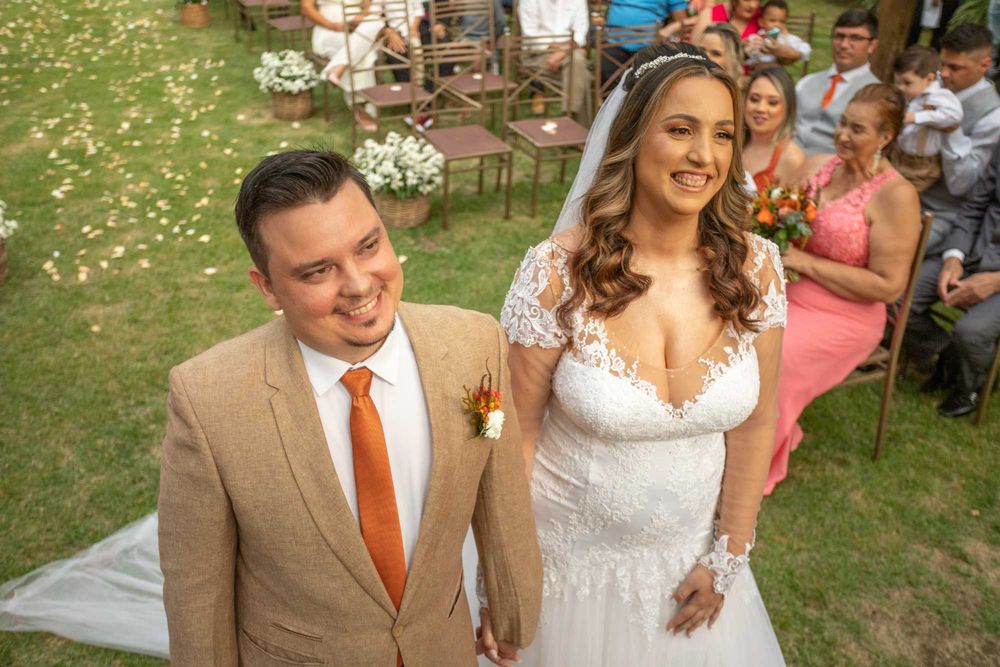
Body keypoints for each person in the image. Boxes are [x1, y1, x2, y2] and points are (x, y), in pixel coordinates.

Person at [156, 150, 543, 664]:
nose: (360, 284)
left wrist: (511, 603)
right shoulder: (207, 401)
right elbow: (196, 593)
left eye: (368, 246)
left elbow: (501, 495)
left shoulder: (475, 345)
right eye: (318, 271)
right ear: (267, 287)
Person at [478, 42, 788, 665]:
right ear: (631, 137)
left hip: (689, 576)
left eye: (723, 134)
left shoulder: (756, 267)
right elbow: (514, 435)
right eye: (681, 130)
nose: (705, 155)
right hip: (562, 570)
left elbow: (756, 424)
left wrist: (728, 555)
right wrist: (503, 578)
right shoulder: (556, 272)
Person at [767, 84, 921, 495]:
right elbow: (779, 215)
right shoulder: (820, 165)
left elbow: (889, 286)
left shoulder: (897, 196)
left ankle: (752, 462)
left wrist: (805, 262)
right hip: (790, 290)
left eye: (856, 129)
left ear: (885, 137)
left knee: (776, 358)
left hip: (848, 314)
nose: (842, 135)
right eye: (841, 123)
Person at [905, 144, 1000, 417]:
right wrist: (953, 257)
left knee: (970, 332)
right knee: (899, 299)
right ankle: (949, 354)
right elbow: (974, 207)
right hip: (971, 250)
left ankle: (972, 385)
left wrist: (994, 281)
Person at [919, 24, 1000, 253]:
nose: (944, 74)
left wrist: (951, 130)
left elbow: (962, 186)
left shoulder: (993, 117)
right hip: (897, 195)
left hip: (940, 215)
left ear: (984, 65)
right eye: (942, 64)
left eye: (955, 68)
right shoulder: (931, 84)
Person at [794, 8, 880, 155]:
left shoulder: (876, 94)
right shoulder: (806, 82)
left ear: (872, 45)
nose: (844, 45)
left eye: (855, 38)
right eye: (839, 36)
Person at [890, 45, 963, 192]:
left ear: (929, 78)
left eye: (907, 83)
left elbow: (955, 114)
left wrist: (918, 117)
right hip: (898, 154)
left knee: (904, 193)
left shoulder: (939, 96)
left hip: (921, 165)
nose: (901, 88)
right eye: (898, 82)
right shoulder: (909, 95)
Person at [302, 0, 383, 132]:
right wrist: (332, 25)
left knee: (367, 36)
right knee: (362, 53)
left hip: (358, 28)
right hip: (328, 30)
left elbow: (368, 4)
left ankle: (336, 69)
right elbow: (306, 8)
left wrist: (361, 16)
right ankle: (361, 107)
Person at [517, 0, 593, 124]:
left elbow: (580, 33)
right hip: (537, 54)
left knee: (576, 64)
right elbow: (532, 36)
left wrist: (563, 52)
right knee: (582, 74)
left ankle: (568, 118)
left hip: (569, 52)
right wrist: (568, 48)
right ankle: (578, 128)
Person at [744, 66, 805, 190]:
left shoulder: (791, 159)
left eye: (772, 102)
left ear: (788, 108)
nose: (760, 108)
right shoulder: (730, 142)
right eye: (754, 99)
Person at [744, 0, 812, 71]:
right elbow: (748, 56)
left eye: (782, 21)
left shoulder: (785, 38)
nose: (777, 25)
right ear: (761, 22)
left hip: (775, 72)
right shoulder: (757, 37)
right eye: (772, 20)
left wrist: (784, 50)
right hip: (756, 72)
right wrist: (752, 50)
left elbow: (805, 49)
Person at [691, 0, 761, 41]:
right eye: (747, 0)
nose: (753, 5)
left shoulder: (764, 16)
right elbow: (696, 51)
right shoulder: (709, 14)